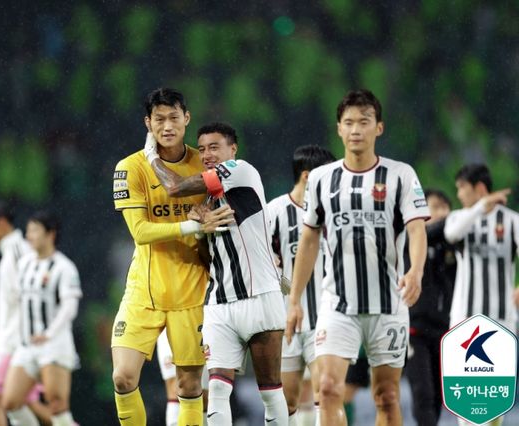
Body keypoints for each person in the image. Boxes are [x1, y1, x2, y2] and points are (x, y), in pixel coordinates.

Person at [286, 89, 430, 426]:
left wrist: (416, 271)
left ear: (378, 127)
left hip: (388, 304)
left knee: (387, 396)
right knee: (327, 388)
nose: (355, 130)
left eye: (364, 122)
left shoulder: (401, 175)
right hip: (337, 305)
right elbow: (309, 239)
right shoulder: (321, 178)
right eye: (348, 122)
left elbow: (416, 229)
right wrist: (294, 300)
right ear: (339, 128)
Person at [144, 121, 289, 425]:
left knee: (270, 390)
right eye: (202, 149)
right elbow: (207, 258)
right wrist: (200, 228)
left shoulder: (240, 170)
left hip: (260, 295)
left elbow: (174, 187)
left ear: (232, 149)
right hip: (219, 304)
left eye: (214, 147)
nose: (207, 154)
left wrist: (152, 158)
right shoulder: (207, 201)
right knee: (217, 390)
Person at [111, 88, 229, 426]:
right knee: (123, 377)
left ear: (186, 119)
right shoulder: (130, 168)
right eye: (159, 119)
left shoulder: (204, 165)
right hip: (144, 291)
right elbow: (140, 232)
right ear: (148, 123)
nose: (167, 126)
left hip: (192, 290)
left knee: (190, 387)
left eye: (174, 118)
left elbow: (223, 219)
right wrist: (192, 226)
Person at [267, 145, 336, 425]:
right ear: (308, 177)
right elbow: (267, 268)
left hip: (326, 319)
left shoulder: (333, 212)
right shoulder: (274, 212)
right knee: (286, 401)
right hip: (285, 322)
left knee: (327, 394)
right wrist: (290, 289)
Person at [2, 210, 82, 426]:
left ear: (50, 234)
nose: (29, 236)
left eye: (35, 230)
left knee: (56, 403)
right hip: (27, 346)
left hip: (54, 345)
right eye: (28, 231)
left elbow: (70, 307)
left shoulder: (64, 268)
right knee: (11, 402)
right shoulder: (24, 264)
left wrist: (49, 333)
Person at [0, 201, 50, 426]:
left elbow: (33, 296)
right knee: (21, 404)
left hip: (16, 344)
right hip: (15, 343)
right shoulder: (13, 251)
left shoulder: (18, 251)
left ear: (1, 222)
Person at [444, 164, 519, 334]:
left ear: (479, 187)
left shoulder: (513, 221)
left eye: (462, 187)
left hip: (502, 319)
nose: (459, 194)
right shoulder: (457, 217)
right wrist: (481, 206)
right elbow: (451, 234)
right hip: (463, 317)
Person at [404, 189, 456, 426]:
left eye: (444, 207)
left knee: (439, 395)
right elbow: (427, 233)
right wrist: (456, 218)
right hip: (416, 328)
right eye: (434, 207)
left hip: (446, 328)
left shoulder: (453, 243)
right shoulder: (411, 238)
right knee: (422, 392)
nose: (440, 213)